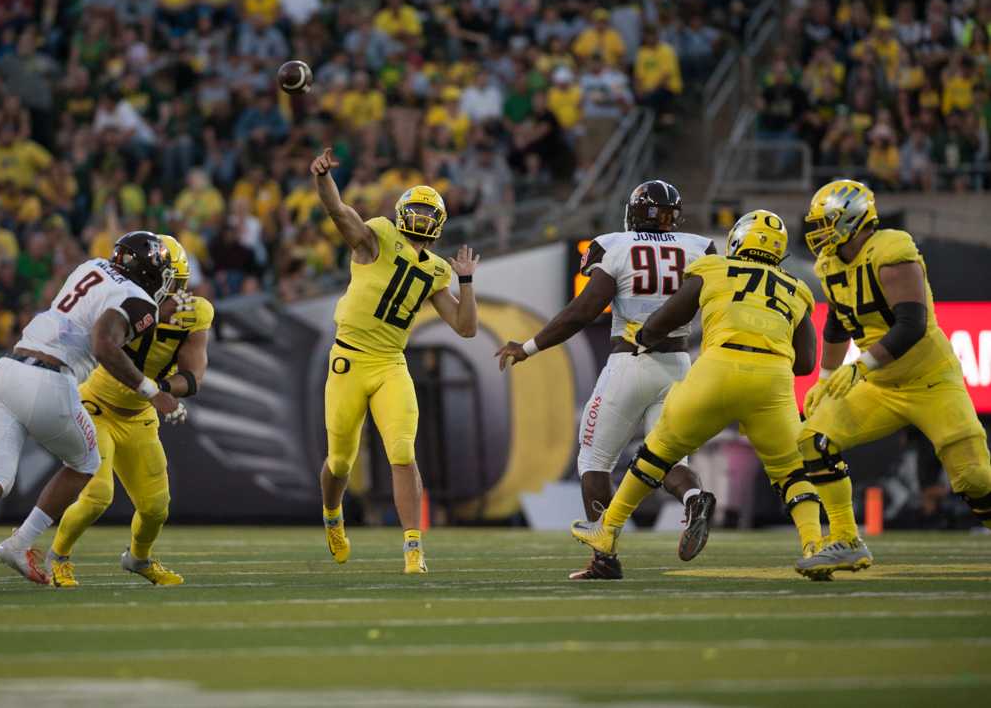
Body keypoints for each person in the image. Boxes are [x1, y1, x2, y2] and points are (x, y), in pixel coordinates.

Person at [568, 212, 827, 576]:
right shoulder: (797, 288)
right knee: (790, 471)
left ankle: (607, 532)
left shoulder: (714, 268)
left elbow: (666, 318)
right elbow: (805, 364)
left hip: (718, 370)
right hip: (773, 381)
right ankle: (814, 545)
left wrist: (643, 337)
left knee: (657, 452)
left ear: (738, 240)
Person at [496, 181, 717, 580]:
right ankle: (694, 496)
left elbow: (583, 311)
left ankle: (605, 558)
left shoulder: (615, 245)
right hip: (681, 364)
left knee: (594, 461)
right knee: (668, 459)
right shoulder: (698, 247)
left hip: (630, 363)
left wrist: (528, 347)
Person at [0, 232, 179, 592]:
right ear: (150, 270)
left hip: (4, 371)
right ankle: (20, 544)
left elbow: (93, 310)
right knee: (86, 464)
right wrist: (149, 390)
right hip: (49, 378)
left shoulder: (92, 267)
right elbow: (103, 342)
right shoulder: (141, 301)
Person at [795, 180, 991, 577]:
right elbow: (837, 323)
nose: (818, 232)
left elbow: (911, 324)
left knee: (975, 476)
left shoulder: (892, 249)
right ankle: (847, 540)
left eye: (826, 222)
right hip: (882, 385)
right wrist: (826, 376)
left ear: (853, 218)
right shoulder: (831, 264)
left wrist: (861, 366)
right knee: (813, 439)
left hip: (930, 379)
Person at [309, 147, 479, 574]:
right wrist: (322, 179)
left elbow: (465, 326)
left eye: (428, 212)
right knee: (341, 461)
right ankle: (333, 516)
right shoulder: (377, 237)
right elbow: (339, 212)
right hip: (348, 359)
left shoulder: (439, 269)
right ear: (403, 213)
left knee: (402, 451)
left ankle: (413, 548)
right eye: (416, 210)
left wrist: (467, 281)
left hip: (389, 362)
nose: (421, 218)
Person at [48, 236, 211, 587]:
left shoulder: (194, 313)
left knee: (156, 507)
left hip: (139, 414)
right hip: (96, 406)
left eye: (180, 284)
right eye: (175, 282)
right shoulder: (125, 303)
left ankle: (138, 560)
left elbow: (194, 376)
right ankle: (57, 557)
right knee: (97, 496)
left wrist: (161, 391)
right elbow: (101, 344)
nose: (178, 290)